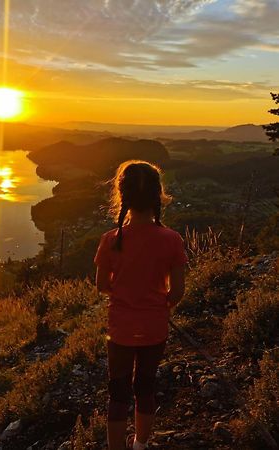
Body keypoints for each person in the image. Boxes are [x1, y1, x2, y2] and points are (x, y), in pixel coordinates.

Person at [94, 160, 188, 450]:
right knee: (145, 386)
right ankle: (140, 443)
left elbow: (101, 286)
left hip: (120, 329)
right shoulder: (172, 240)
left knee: (118, 392)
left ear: (123, 197)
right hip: (154, 329)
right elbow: (177, 292)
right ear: (158, 197)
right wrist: (161, 304)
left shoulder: (111, 240)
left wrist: (124, 295)